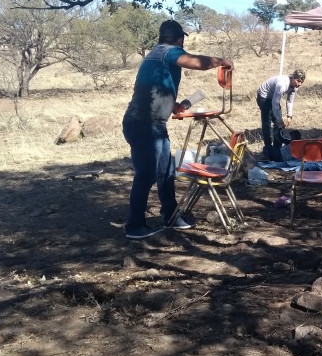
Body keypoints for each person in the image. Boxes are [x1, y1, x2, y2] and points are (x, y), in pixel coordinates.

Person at [122, 20, 233, 240]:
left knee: (166, 172)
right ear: (179, 39)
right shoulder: (167, 52)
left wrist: (176, 107)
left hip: (154, 124)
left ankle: (170, 217)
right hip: (143, 125)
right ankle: (134, 226)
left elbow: (157, 88)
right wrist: (222, 61)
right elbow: (195, 62)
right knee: (146, 174)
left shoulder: (155, 56)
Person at [257, 69, 306, 160]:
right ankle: (268, 149)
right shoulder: (282, 84)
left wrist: (289, 116)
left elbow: (290, 101)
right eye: (298, 81)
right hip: (264, 96)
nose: (299, 84)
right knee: (267, 122)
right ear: (293, 78)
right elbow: (275, 103)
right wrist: (280, 120)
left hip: (272, 97)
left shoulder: (294, 87)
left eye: (301, 82)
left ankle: (277, 147)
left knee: (277, 123)